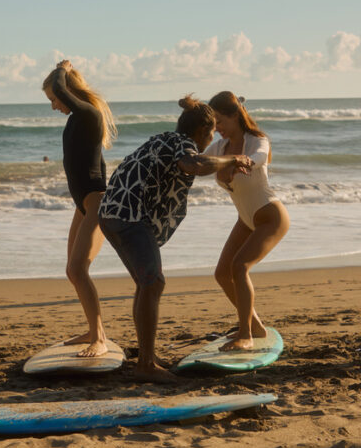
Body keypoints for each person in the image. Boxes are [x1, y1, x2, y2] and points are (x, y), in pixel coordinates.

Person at [99, 96, 254, 381]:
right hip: (130, 215)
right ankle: (146, 365)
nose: (212, 137)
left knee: (146, 283)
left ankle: (147, 357)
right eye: (212, 132)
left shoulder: (164, 139)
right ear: (202, 131)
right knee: (153, 282)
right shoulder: (183, 144)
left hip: (110, 214)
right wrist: (234, 158)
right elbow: (195, 164)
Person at [42, 60, 118, 357]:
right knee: (72, 271)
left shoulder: (88, 114)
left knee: (78, 269)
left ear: (67, 90)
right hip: (83, 204)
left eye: (54, 98)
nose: (54, 105)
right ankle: (93, 330)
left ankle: (99, 339)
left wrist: (61, 68)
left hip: (95, 203)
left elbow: (61, 86)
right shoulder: (79, 119)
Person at [205, 92, 290, 351]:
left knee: (239, 267)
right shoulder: (220, 148)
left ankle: (246, 335)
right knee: (222, 273)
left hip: (270, 217)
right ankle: (256, 326)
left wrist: (246, 161)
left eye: (220, 121)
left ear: (235, 115)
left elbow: (260, 156)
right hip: (245, 218)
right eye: (213, 123)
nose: (217, 128)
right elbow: (199, 162)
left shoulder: (256, 141)